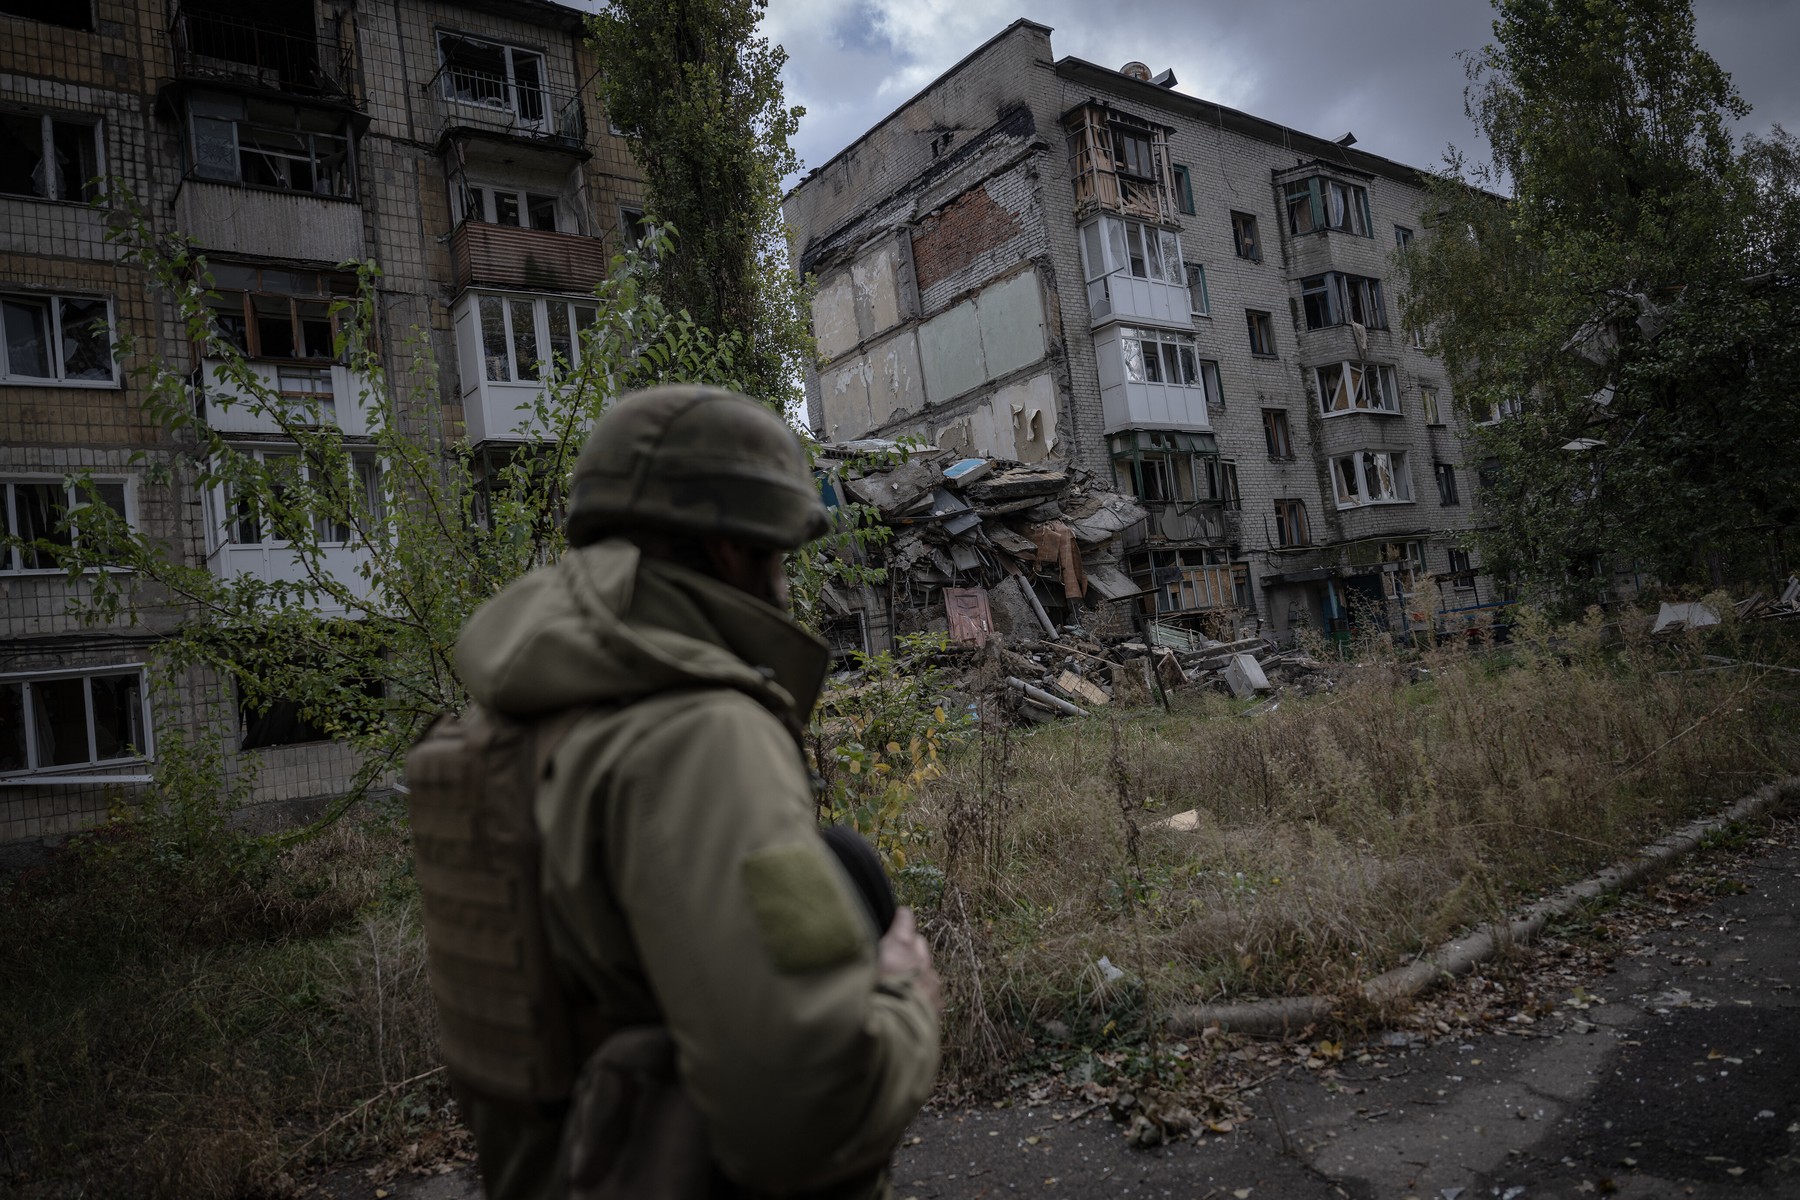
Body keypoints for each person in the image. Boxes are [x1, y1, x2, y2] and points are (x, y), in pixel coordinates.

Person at [445, 385, 941, 1199]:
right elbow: (802, 1112)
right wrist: (903, 997)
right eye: (781, 552)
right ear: (729, 548)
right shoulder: (699, 733)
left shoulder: (512, 723)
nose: (786, 581)